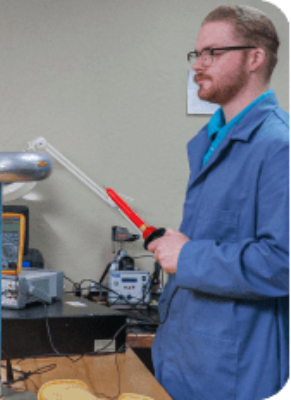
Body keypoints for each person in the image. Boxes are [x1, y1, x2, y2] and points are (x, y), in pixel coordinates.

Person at [148, 5, 289, 400]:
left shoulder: (280, 147)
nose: (198, 65)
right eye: (197, 54)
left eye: (213, 53)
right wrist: (182, 248)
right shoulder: (211, 141)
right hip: (185, 356)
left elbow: (283, 262)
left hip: (237, 369)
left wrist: (188, 256)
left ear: (254, 58)